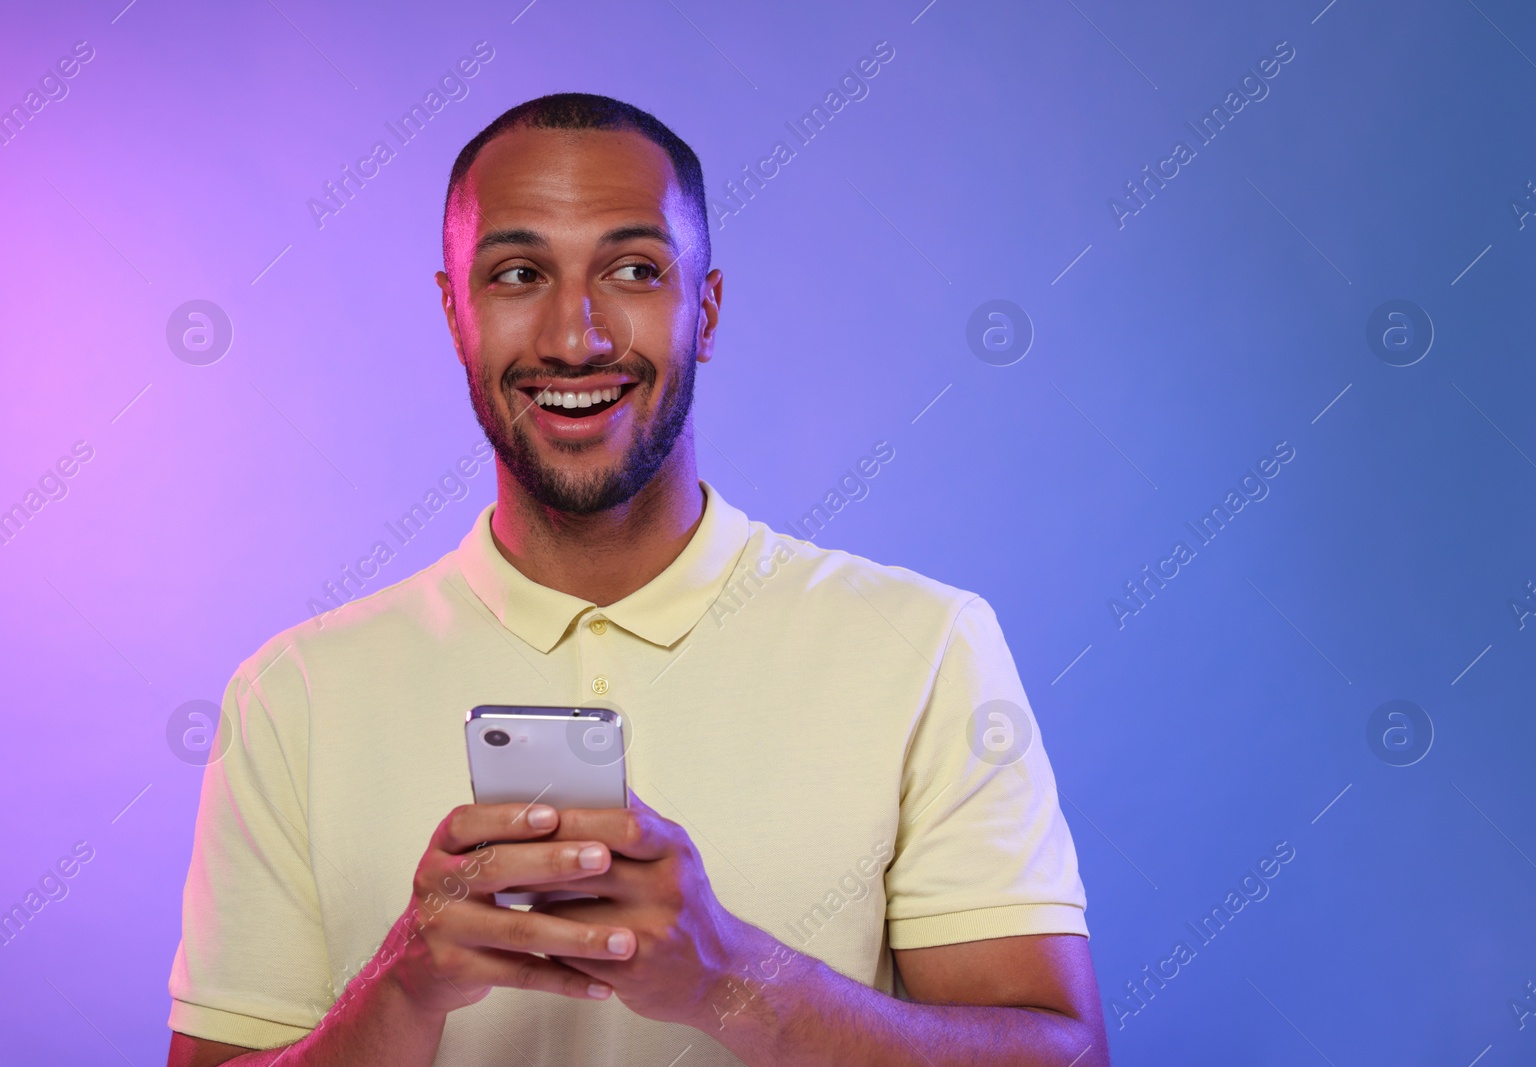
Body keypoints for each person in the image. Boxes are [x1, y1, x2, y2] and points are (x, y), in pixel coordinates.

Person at [165, 92, 1109, 1067]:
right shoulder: (294, 694)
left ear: (702, 308)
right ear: (456, 313)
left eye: (633, 269)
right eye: (519, 272)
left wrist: (730, 977)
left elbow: (1064, 1056)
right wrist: (403, 982)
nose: (576, 338)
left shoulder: (927, 646)